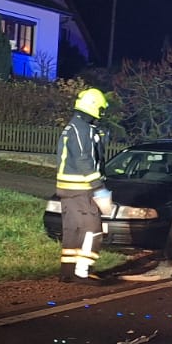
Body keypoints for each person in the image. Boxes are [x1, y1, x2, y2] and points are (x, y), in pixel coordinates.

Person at [56, 87, 114, 281]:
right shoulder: (82, 130)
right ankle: (82, 273)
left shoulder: (73, 126)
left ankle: (68, 273)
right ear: (94, 107)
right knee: (92, 231)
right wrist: (99, 189)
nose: (102, 114)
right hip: (82, 190)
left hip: (68, 190)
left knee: (72, 231)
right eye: (101, 109)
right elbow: (83, 159)